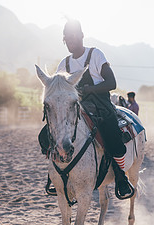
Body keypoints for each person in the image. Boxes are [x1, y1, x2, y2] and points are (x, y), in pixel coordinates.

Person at [39, 19, 134, 199]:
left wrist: (89, 89)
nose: (70, 40)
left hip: (100, 106)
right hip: (76, 108)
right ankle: (55, 175)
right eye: (66, 38)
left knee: (112, 135)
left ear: (82, 36)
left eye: (73, 36)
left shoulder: (95, 55)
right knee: (46, 135)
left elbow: (112, 83)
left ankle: (120, 176)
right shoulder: (63, 64)